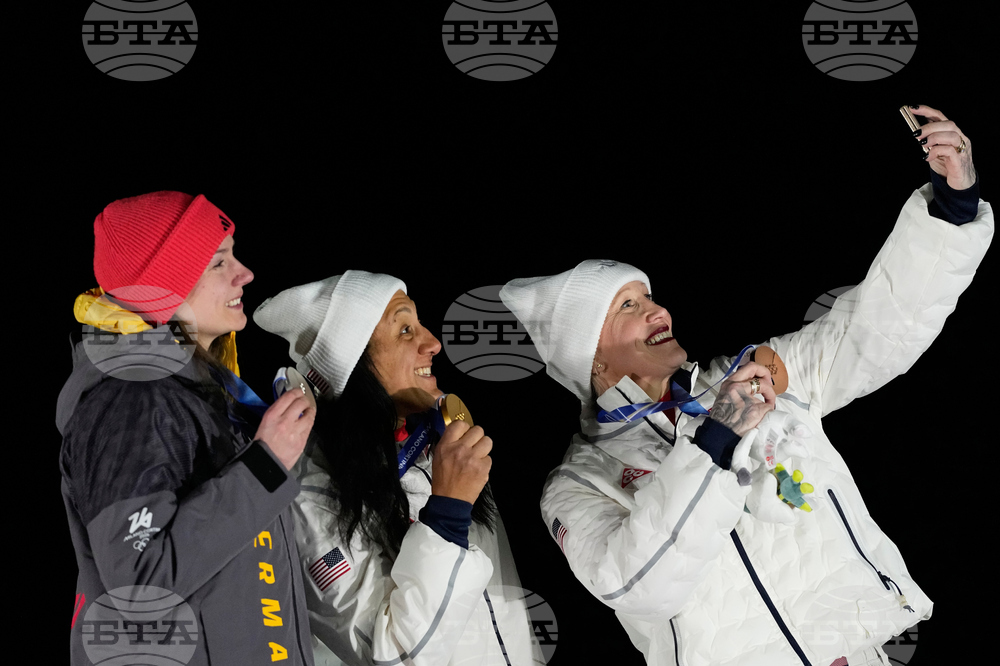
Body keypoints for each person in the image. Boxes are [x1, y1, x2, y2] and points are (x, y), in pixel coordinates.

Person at [499, 105, 993, 666]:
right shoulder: (575, 484)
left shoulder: (742, 377)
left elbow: (870, 331)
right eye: (629, 307)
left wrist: (952, 207)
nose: (658, 310)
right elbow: (640, 586)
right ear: (589, 355)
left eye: (650, 295)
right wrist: (716, 438)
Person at [57, 191, 317, 665]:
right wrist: (263, 466)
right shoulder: (130, 398)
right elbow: (141, 584)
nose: (245, 273)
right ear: (162, 286)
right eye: (219, 262)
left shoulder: (194, 390)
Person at [254, 271, 543, 666]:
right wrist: (447, 513)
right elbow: (394, 655)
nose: (433, 343)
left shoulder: (440, 447)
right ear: (352, 363)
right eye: (405, 329)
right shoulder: (309, 495)